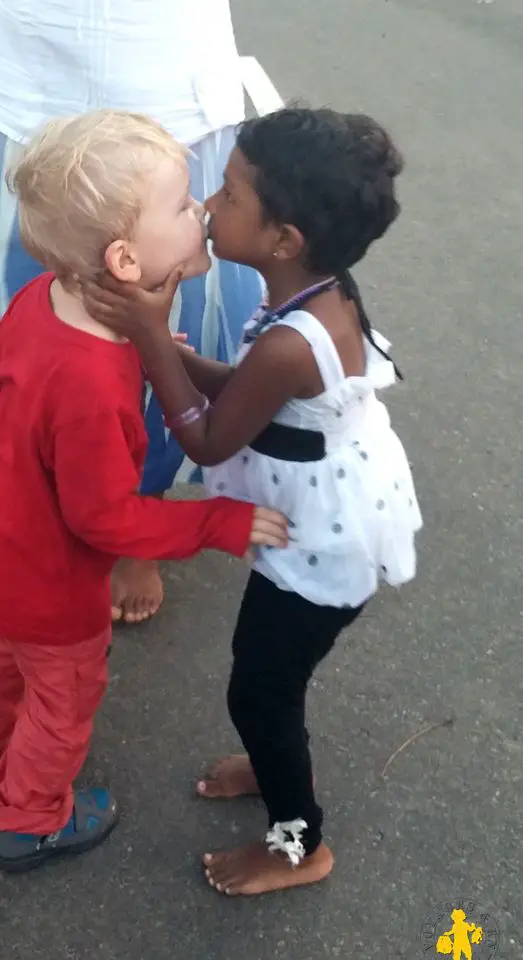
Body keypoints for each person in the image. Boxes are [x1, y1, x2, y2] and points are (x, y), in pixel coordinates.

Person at [0, 111, 289, 874]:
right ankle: (28, 818)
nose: (199, 214)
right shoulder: (93, 386)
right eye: (181, 206)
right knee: (61, 699)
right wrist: (215, 524)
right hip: (48, 576)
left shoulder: (42, 301)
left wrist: (142, 350)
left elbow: (20, 387)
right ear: (126, 259)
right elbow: (105, 520)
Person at [85, 106, 423, 896]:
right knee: (270, 684)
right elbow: (244, 396)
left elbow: (208, 441)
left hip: (321, 546)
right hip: (328, 511)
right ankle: (272, 760)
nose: (205, 206)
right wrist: (182, 358)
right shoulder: (312, 294)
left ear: (283, 240)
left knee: (259, 687)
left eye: (229, 195)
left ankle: (299, 841)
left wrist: (147, 335)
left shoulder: (287, 341)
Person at [0, 0, 265, 624]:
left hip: (169, 100)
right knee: (50, 339)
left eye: (200, 205)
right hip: (36, 103)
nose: (206, 213)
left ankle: (134, 514)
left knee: (154, 342)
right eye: (193, 208)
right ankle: (57, 495)